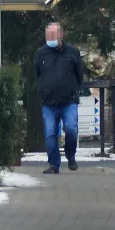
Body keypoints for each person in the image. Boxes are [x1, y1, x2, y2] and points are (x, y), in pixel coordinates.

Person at [34, 22, 85, 174]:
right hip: (49, 102)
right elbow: (37, 74)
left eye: (53, 36)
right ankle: (54, 164)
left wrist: (73, 90)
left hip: (69, 101)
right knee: (50, 134)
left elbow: (79, 75)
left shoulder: (72, 52)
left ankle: (70, 155)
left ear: (60, 35)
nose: (50, 39)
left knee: (71, 128)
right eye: (48, 36)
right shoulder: (41, 53)